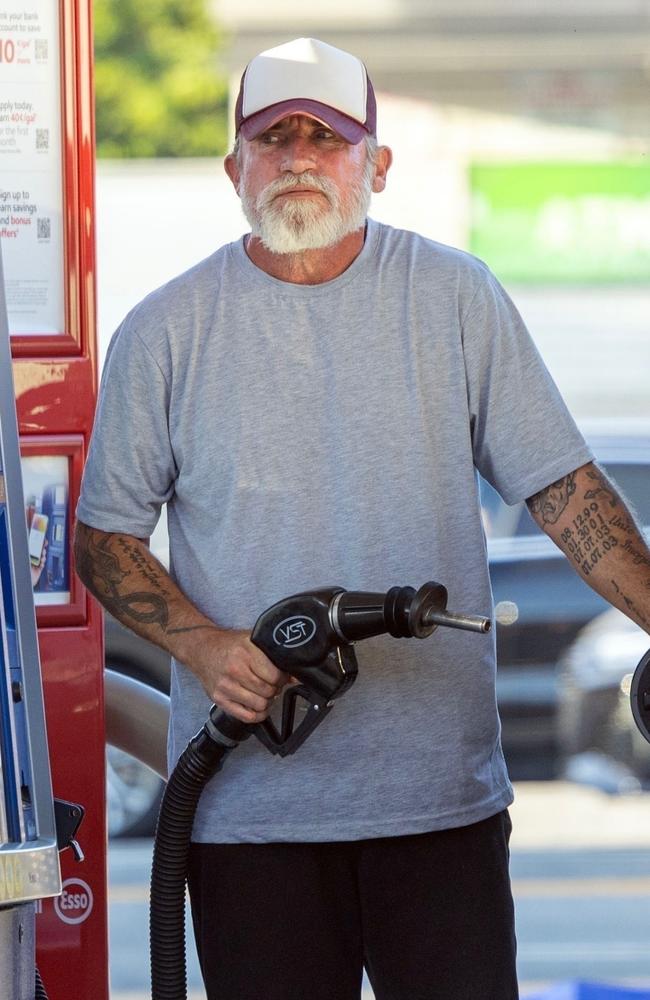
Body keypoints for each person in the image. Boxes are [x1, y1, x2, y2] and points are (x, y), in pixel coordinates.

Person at [75, 37, 650, 1000]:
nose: (300, 156)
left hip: (440, 809)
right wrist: (211, 647)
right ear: (235, 169)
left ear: (376, 164)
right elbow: (104, 538)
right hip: (246, 813)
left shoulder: (455, 297)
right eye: (273, 136)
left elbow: (564, 490)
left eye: (328, 136)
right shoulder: (167, 329)